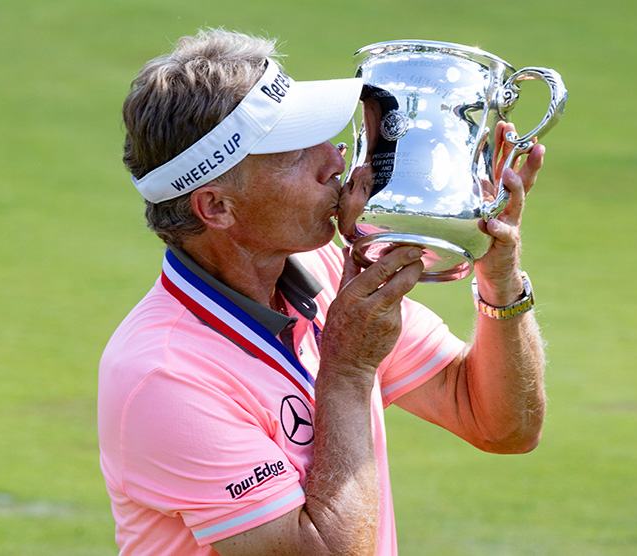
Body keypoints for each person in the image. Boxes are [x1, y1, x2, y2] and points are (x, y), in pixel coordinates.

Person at [98, 28, 547, 556]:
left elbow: (500, 425)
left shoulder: (325, 268)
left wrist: (496, 268)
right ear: (217, 207)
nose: (336, 159)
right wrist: (349, 370)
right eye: (292, 152)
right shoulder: (165, 377)